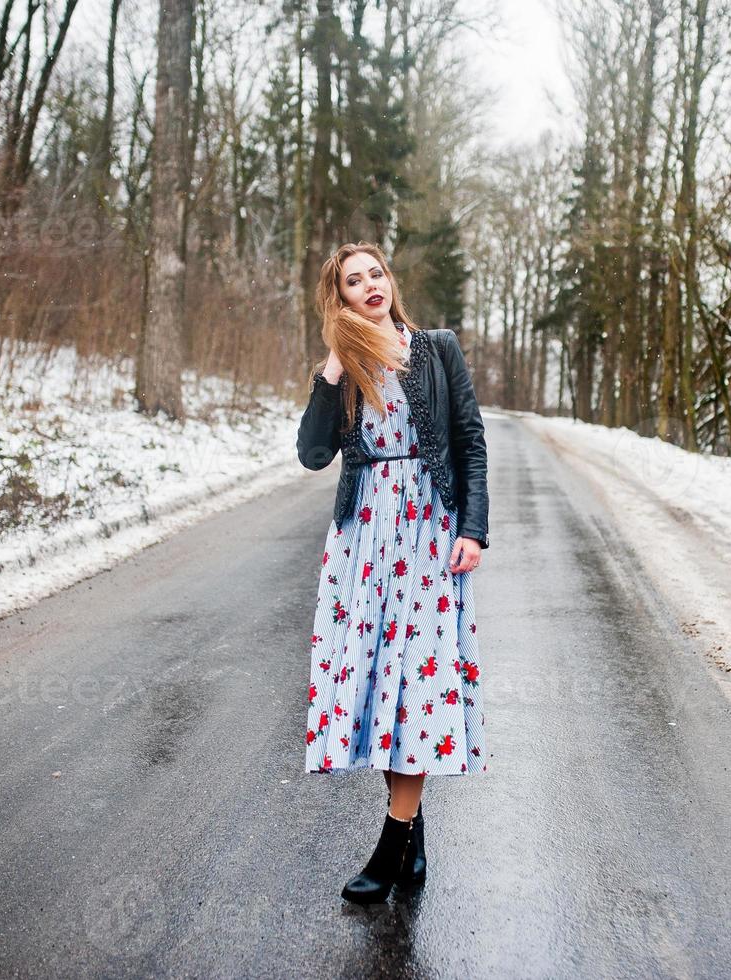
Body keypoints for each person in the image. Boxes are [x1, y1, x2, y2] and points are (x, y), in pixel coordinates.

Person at [295, 241, 490, 905]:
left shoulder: (436, 348)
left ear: (389, 280)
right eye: (354, 280)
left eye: (376, 273)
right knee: (380, 681)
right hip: (361, 536)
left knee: (415, 681)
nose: (370, 285)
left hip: (427, 530)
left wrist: (473, 529)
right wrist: (329, 373)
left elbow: (470, 442)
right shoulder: (345, 365)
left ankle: (389, 846)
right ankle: (412, 844)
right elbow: (313, 454)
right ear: (341, 297)